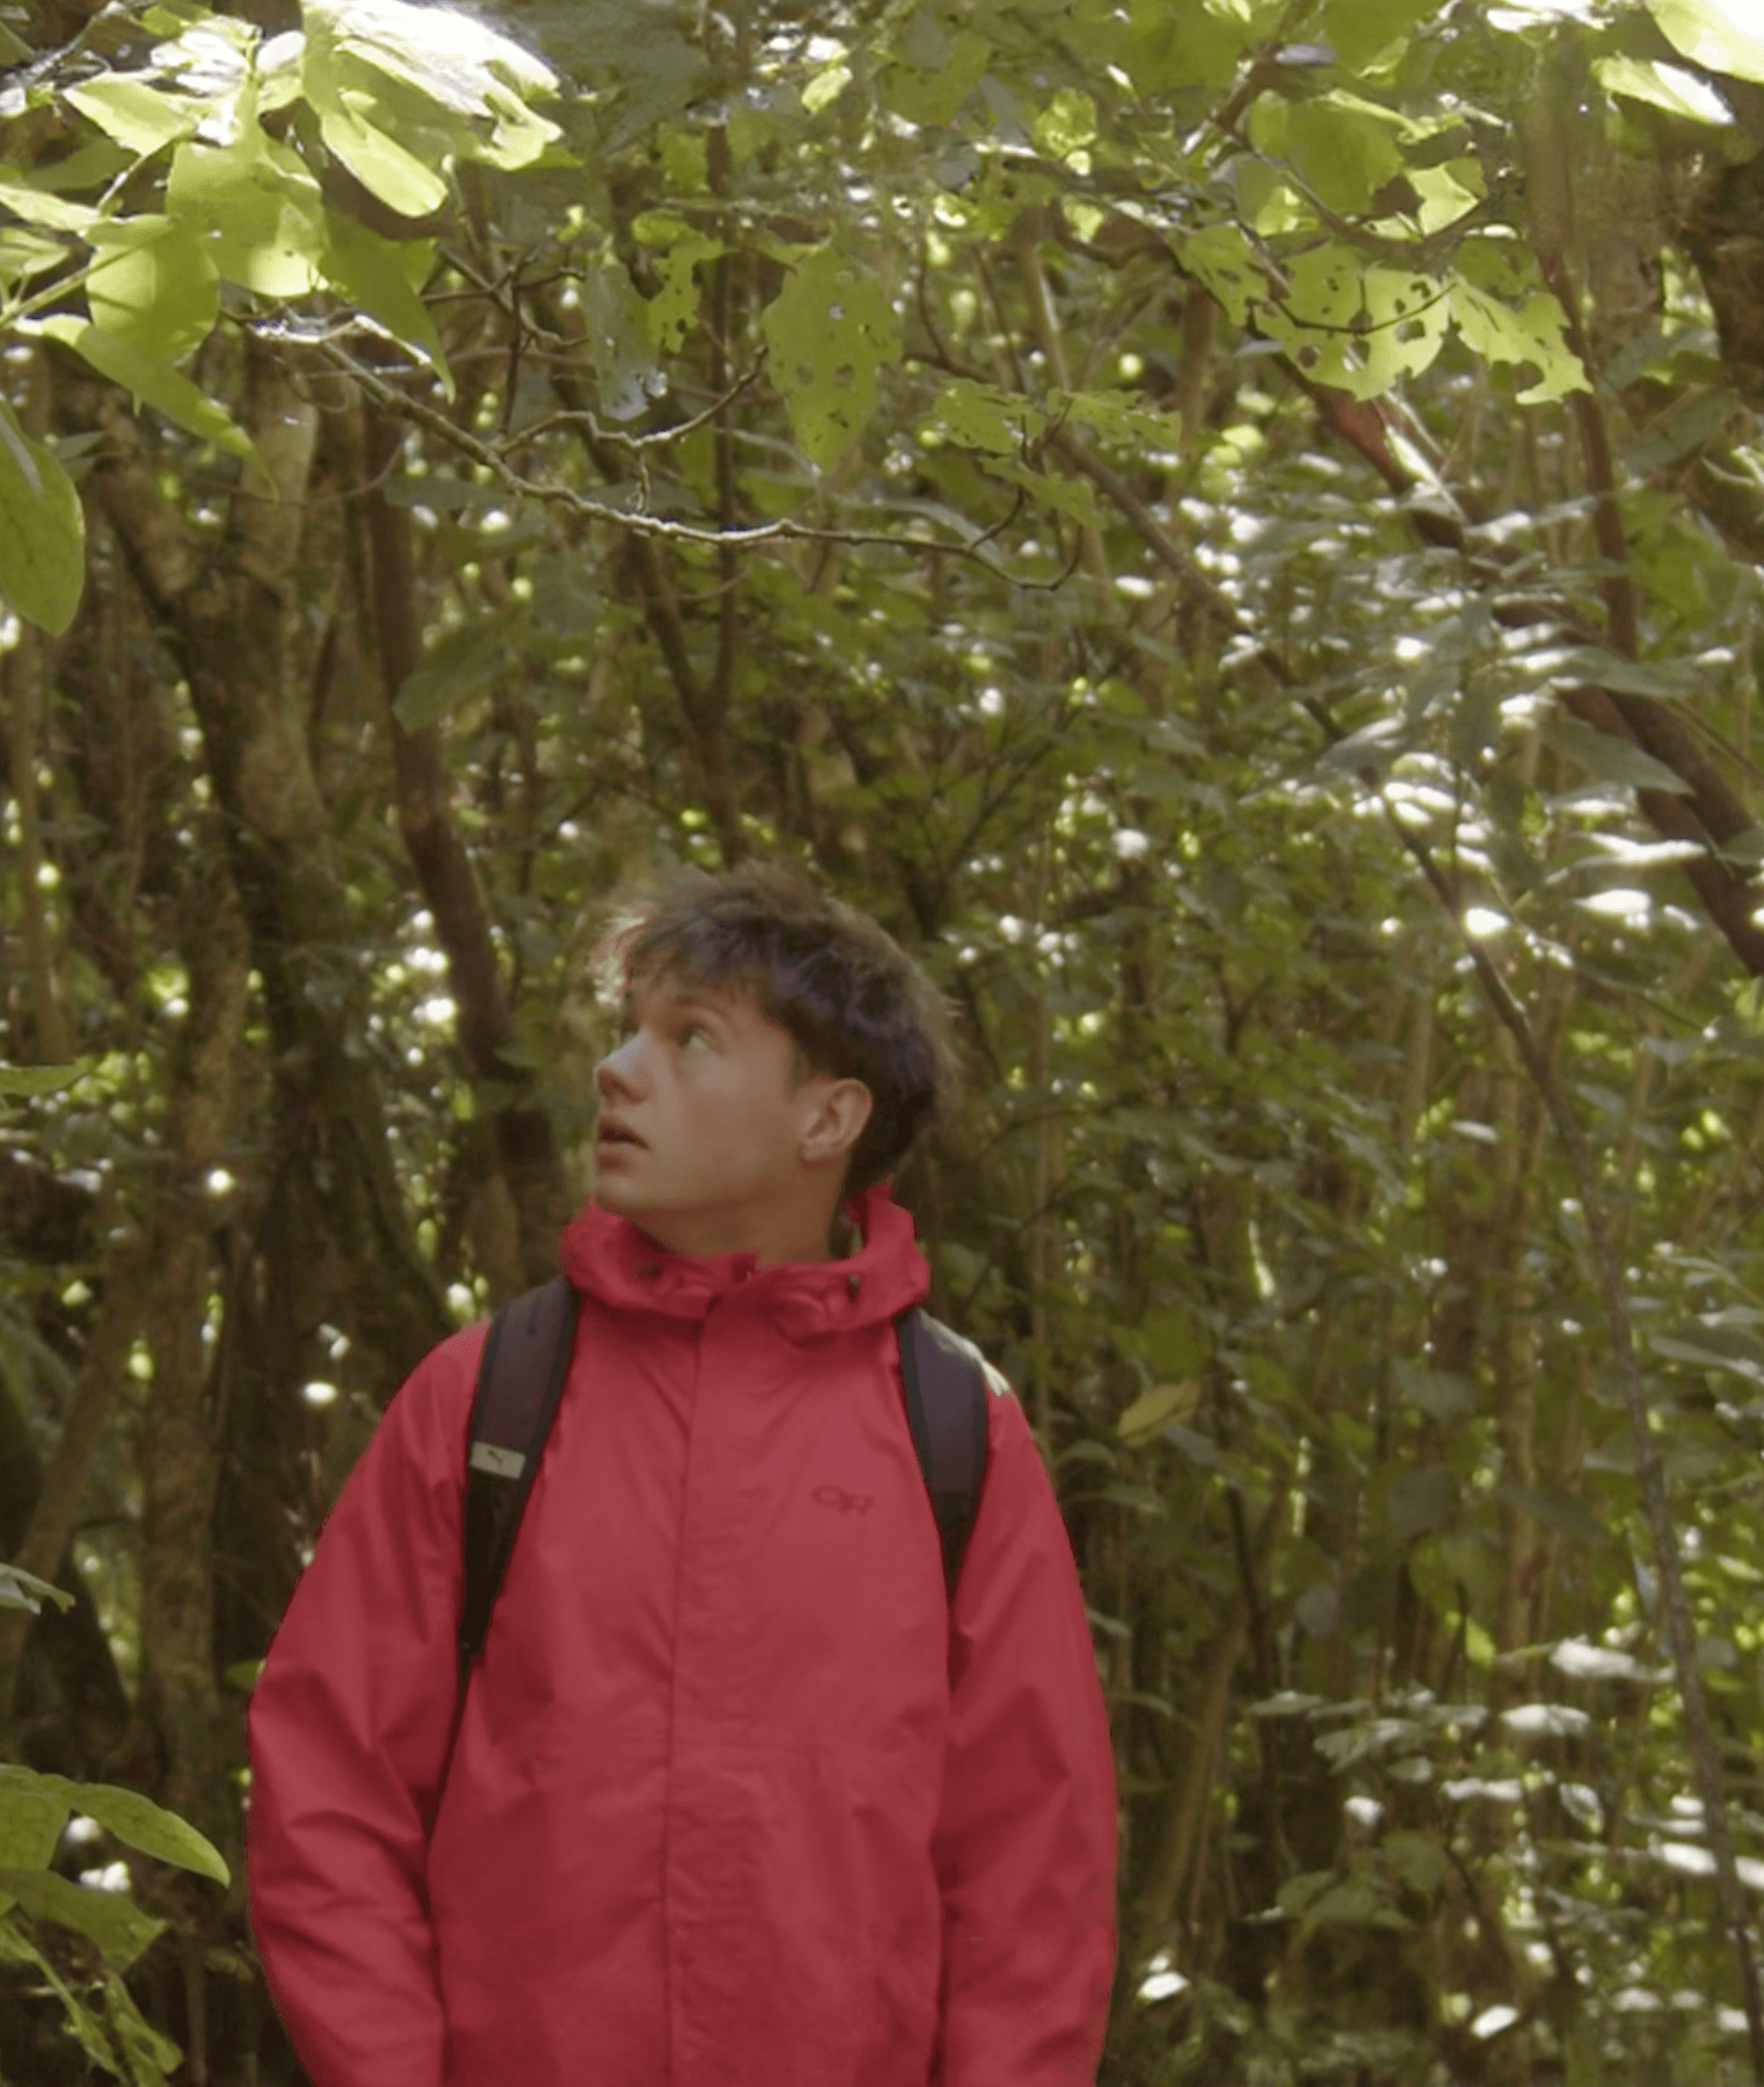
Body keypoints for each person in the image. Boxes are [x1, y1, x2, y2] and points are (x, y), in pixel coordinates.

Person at [245, 862, 1119, 2084]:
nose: (619, 1069)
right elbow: (329, 1785)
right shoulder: (489, 1394)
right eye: (627, 1031)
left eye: (692, 1039)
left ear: (828, 1118)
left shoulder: (954, 1428)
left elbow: (1036, 1867)